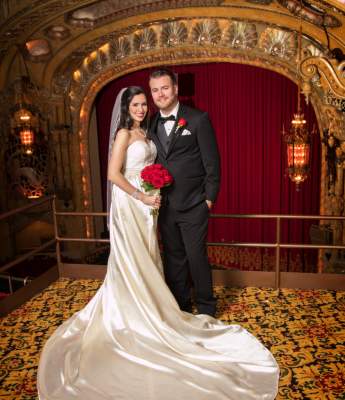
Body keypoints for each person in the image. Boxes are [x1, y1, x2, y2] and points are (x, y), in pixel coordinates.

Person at [37, 86, 279, 400]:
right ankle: (133, 317)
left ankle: (155, 308)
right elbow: (113, 174)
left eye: (143, 103)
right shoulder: (124, 134)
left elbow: (169, 163)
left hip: (150, 205)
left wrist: (158, 191)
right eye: (135, 104)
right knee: (133, 260)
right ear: (126, 107)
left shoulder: (148, 130)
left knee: (151, 259)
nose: (140, 108)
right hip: (131, 204)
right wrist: (139, 195)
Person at [149, 68, 220, 317]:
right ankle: (180, 306)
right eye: (155, 90)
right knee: (174, 258)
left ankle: (207, 308)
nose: (161, 94)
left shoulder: (198, 119)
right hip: (164, 204)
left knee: (195, 257)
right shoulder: (150, 123)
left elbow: (212, 164)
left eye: (165, 88)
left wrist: (208, 200)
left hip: (194, 204)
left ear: (176, 88)